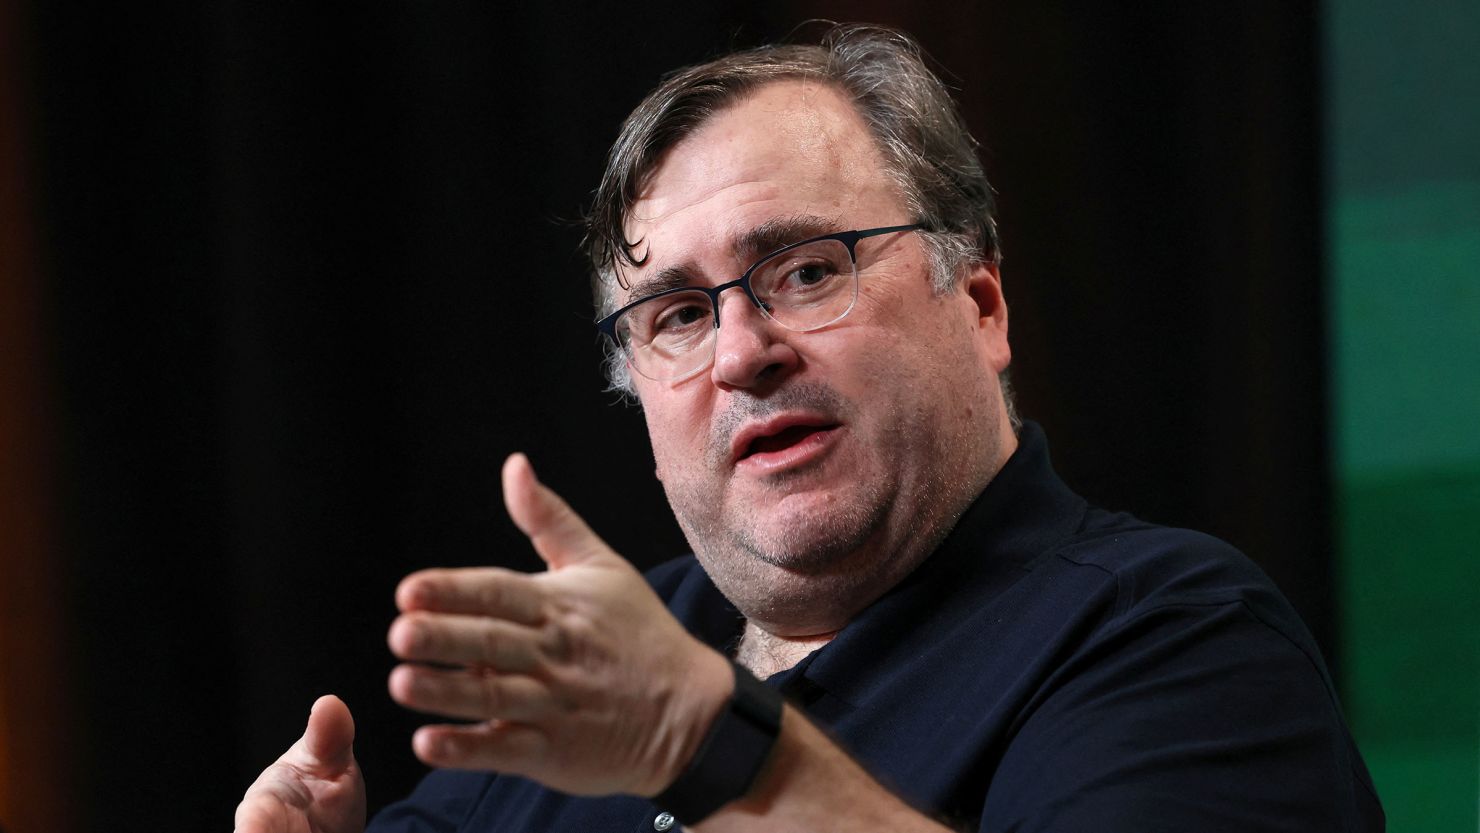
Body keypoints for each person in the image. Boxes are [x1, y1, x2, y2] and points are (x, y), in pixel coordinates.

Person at [235, 24, 1383, 833]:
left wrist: (711, 747)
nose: (742, 351)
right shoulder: (607, 658)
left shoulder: (1173, 640)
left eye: (804, 269)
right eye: (678, 313)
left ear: (979, 303)